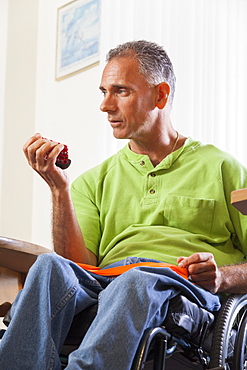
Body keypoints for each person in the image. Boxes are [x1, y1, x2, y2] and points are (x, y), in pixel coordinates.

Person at [1, 40, 247, 370]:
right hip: (107, 280)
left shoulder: (222, 168)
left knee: (139, 277)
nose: (105, 105)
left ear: (160, 95)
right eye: (103, 91)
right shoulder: (94, 180)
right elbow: (79, 267)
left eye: (121, 91)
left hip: (175, 284)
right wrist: (59, 189)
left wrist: (221, 277)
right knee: (48, 268)